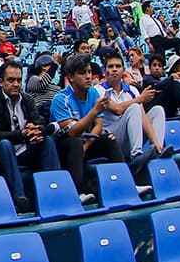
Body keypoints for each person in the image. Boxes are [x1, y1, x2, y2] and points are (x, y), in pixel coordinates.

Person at [0, 60, 58, 212]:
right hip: (3, 153)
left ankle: (54, 190)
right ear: (0, 82)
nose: (16, 84)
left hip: (25, 149)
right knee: (4, 143)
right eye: (11, 80)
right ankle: (19, 198)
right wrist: (22, 134)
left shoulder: (27, 99)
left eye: (19, 80)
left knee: (46, 140)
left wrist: (37, 130)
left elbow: (40, 122)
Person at [50, 54, 126, 203]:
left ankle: (126, 182)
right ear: (71, 77)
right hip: (63, 146)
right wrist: (94, 111)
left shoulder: (93, 93)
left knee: (108, 139)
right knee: (75, 142)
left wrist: (87, 146)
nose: (88, 76)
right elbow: (71, 131)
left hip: (84, 143)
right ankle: (78, 192)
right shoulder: (60, 99)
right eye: (82, 73)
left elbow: (99, 125)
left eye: (89, 72)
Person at [96, 51, 170, 172]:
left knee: (157, 110)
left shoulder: (132, 90)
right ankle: (136, 155)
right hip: (112, 138)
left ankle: (158, 150)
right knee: (134, 107)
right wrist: (140, 99)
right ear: (105, 71)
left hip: (130, 135)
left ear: (123, 70)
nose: (114, 70)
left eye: (118, 66)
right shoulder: (98, 90)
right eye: (111, 66)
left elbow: (144, 118)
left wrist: (155, 142)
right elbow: (117, 109)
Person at [25, 53, 61, 122]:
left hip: (56, 110)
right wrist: (55, 64)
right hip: (42, 111)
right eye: (51, 65)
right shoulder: (33, 79)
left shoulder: (55, 85)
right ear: (44, 67)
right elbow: (43, 84)